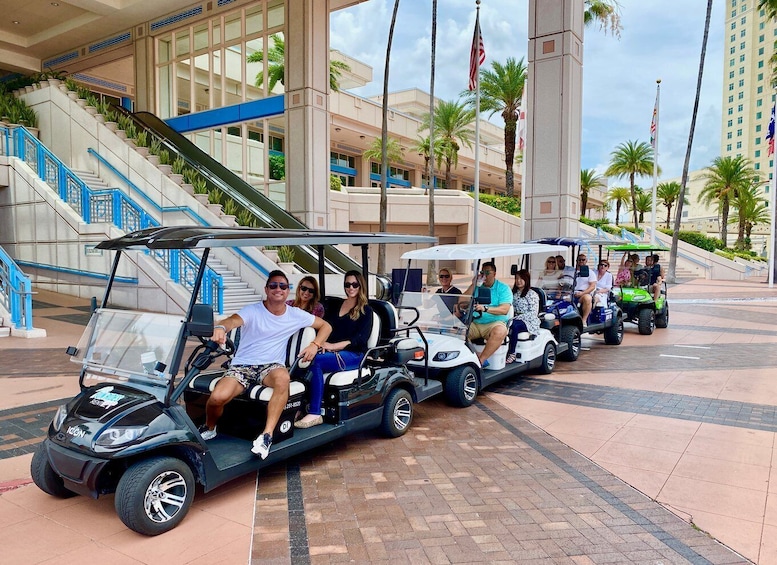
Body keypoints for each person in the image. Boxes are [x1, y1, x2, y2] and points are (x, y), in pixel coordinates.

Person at [201, 270, 332, 458]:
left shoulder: (296, 314)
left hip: (271, 366)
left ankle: (267, 435)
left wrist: (315, 344)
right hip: (242, 366)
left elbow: (326, 326)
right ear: (266, 289)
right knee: (216, 399)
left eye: (283, 286)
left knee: (283, 378)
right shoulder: (253, 310)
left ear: (288, 291)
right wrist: (221, 327)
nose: (278, 289)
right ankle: (210, 427)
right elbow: (231, 321)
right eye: (273, 285)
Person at [296, 270, 374, 428]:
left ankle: (315, 413)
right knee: (303, 357)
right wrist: (320, 345)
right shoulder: (337, 304)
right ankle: (297, 407)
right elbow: (326, 327)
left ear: (361, 286)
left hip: (355, 355)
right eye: (347, 284)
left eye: (354, 284)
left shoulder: (366, 311)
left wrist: (332, 346)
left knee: (315, 361)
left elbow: (359, 340)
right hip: (333, 351)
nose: (350, 288)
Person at [459, 261, 513, 367]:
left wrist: (485, 309)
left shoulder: (503, 288)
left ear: (494, 274)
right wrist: (472, 285)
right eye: (482, 272)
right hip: (476, 322)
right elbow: (461, 302)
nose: (485, 275)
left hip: (494, 322)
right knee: (457, 332)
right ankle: (474, 356)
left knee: (500, 331)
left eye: (487, 272)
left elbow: (504, 309)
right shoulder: (478, 286)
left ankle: (481, 361)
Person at [505, 269, 540, 364]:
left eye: (521, 279)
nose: (518, 281)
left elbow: (533, 313)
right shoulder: (513, 293)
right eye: (516, 279)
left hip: (528, 321)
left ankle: (512, 353)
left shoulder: (532, 294)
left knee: (514, 326)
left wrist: (516, 318)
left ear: (526, 280)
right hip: (513, 317)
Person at [573, 254, 597, 327]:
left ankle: (584, 320)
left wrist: (582, 293)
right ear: (576, 261)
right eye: (579, 259)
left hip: (583, 293)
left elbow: (592, 286)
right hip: (571, 292)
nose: (581, 261)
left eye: (583, 260)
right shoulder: (572, 271)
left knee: (588, 298)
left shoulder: (590, 272)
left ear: (586, 261)